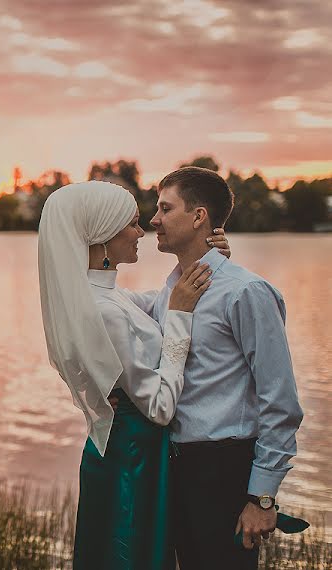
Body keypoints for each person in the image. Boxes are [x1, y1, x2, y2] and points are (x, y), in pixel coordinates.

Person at [38, 180, 227, 569]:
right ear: (103, 237)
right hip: (132, 460)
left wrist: (207, 259)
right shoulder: (103, 309)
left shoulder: (109, 297)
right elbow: (158, 407)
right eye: (132, 224)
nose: (141, 231)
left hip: (127, 453)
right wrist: (180, 318)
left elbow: (161, 302)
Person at [142, 166, 303, 569]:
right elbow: (112, 307)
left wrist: (261, 498)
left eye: (165, 208)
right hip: (176, 469)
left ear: (199, 217)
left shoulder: (246, 292)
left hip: (226, 472)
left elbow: (280, 400)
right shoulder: (171, 293)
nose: (154, 220)